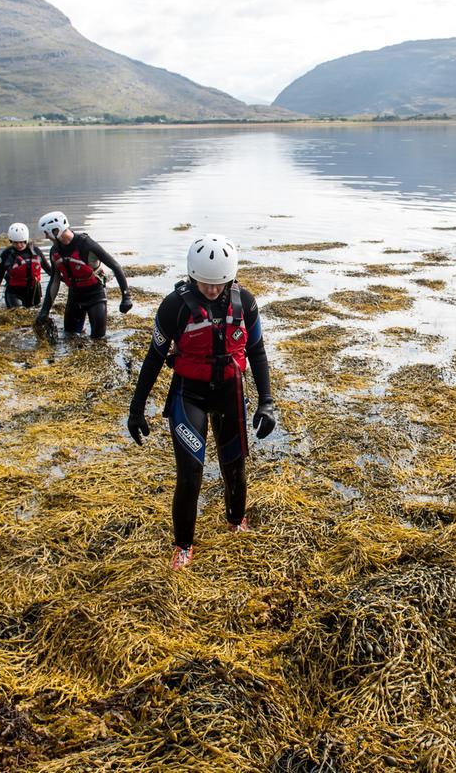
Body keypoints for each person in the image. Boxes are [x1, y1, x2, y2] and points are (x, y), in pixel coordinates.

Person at [126, 234, 276, 571]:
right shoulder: (174, 307)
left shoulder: (245, 303)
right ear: (192, 276)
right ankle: (183, 546)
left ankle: (236, 521)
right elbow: (154, 358)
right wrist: (137, 409)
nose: (211, 290)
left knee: (234, 467)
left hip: (230, 391)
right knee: (190, 473)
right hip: (188, 394)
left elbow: (257, 352)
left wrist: (266, 402)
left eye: (218, 284)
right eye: (205, 284)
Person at [34, 211, 132, 338]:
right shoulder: (54, 251)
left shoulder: (87, 245)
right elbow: (55, 281)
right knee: (69, 337)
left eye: (47, 233)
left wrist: (126, 297)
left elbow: (115, 266)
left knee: (98, 340)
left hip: (95, 296)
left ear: (55, 230)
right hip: (74, 297)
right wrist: (45, 311)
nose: (46, 237)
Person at [0, 223, 50, 309]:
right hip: (14, 293)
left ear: (26, 240)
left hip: (34, 292)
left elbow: (49, 271)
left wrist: (64, 280)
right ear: (11, 241)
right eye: (15, 243)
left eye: (21, 242)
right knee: (18, 314)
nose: (19, 245)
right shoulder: (6, 255)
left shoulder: (35, 251)